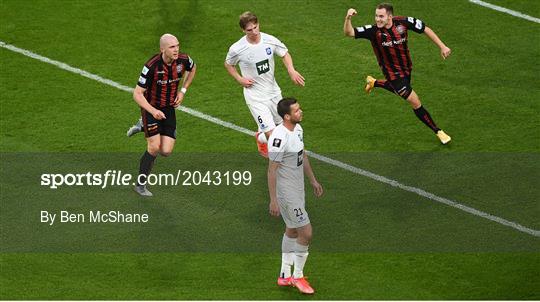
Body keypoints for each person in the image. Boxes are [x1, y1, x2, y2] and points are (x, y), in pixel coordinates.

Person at [344, 3, 452, 144]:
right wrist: (348, 18)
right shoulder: (373, 31)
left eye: (381, 16)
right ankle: (438, 131)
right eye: (376, 16)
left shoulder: (403, 22)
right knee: (414, 101)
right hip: (392, 75)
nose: (378, 19)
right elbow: (349, 32)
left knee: (400, 90)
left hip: (407, 68)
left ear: (390, 16)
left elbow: (425, 28)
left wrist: (442, 46)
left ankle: (374, 82)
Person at [225, 11, 305, 157]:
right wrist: (239, 78)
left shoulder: (269, 40)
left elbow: (284, 53)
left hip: (274, 93)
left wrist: (291, 70)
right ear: (243, 30)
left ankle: (260, 137)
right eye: (249, 30)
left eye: (256, 27)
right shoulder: (237, 48)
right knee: (273, 134)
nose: (254, 32)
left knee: (283, 128)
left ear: (258, 24)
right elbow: (228, 64)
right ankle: (280, 162)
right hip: (255, 97)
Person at [267, 97, 323, 294]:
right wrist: (273, 199)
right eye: (297, 111)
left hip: (298, 188)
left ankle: (284, 275)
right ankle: (298, 277)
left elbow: (303, 156)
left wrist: (313, 180)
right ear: (287, 116)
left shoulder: (298, 130)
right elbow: (271, 170)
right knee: (306, 233)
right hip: (287, 192)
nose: (301, 112)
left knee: (291, 230)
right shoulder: (279, 137)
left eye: (300, 108)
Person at [132, 33, 197, 196]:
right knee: (153, 147)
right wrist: (153, 111)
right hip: (151, 108)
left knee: (166, 151)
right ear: (162, 49)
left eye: (177, 45)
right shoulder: (151, 66)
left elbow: (193, 68)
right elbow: (137, 94)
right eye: (172, 47)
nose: (176, 50)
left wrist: (183, 91)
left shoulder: (183, 60)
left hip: (168, 109)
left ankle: (142, 127)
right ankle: (140, 185)